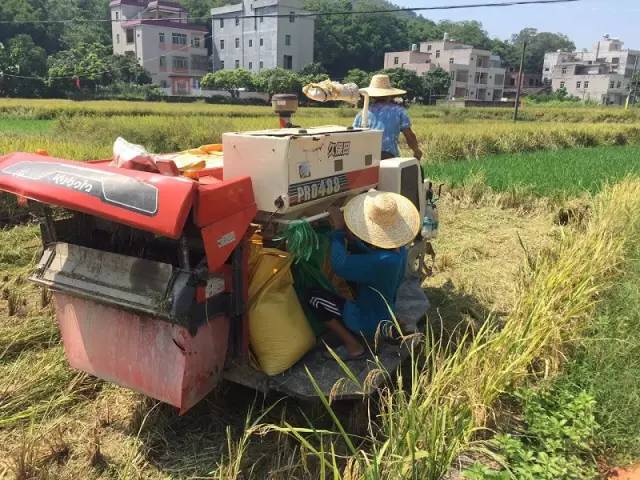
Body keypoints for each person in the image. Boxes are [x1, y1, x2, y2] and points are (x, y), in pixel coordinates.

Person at [306, 190, 421, 360]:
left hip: (365, 319)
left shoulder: (381, 262)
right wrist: (355, 243)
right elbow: (372, 258)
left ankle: (353, 346)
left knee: (313, 297)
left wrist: (338, 231)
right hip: (384, 314)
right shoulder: (399, 251)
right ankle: (382, 330)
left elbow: (340, 265)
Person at [353, 74, 423, 161]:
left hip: (365, 158)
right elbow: (409, 135)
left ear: (373, 95)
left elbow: (354, 137)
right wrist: (416, 150)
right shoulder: (398, 111)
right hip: (389, 157)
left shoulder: (362, 113)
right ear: (390, 95)